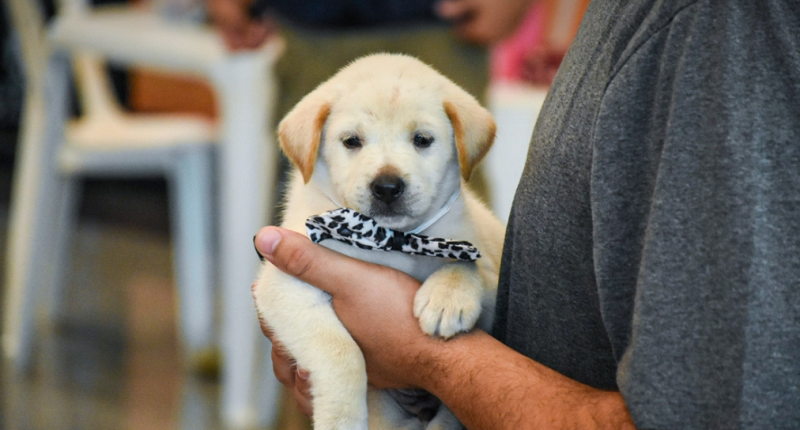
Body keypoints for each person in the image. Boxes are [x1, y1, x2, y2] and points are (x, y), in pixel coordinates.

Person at [254, 0, 800, 428]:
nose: (385, 171)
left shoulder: (722, 24)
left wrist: (427, 359)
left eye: (422, 139)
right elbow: (287, 300)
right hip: (307, 22)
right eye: (352, 141)